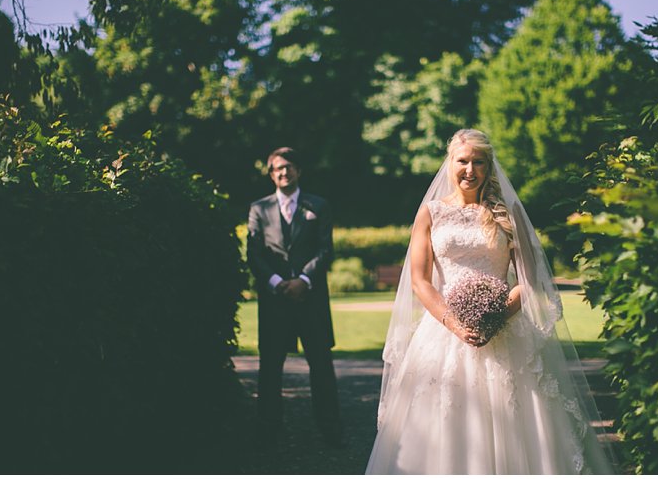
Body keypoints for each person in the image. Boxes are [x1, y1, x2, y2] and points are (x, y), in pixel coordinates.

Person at [365, 129, 615, 474]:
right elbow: (421, 281)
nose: (470, 169)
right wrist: (454, 323)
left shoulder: (507, 211)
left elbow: (529, 280)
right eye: (463, 161)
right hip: (443, 332)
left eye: (478, 162)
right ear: (450, 163)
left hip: (506, 329)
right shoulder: (431, 213)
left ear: (489, 166)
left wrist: (494, 316)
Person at [246, 147, 344, 447]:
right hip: (275, 301)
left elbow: (325, 250)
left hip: (311, 300)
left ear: (298, 170)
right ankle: (268, 431)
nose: (283, 172)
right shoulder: (258, 209)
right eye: (276, 168)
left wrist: (304, 280)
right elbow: (254, 254)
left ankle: (331, 432)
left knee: (321, 366)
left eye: (288, 167)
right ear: (271, 174)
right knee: (270, 368)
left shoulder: (319, 205)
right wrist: (277, 283)